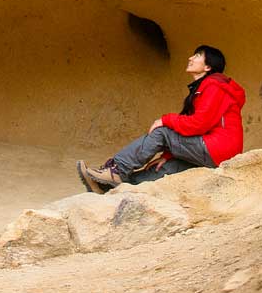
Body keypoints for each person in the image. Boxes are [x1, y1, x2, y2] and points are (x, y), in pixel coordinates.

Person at [77, 45, 246, 193]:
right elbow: (193, 130)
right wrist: (168, 154)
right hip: (217, 154)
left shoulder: (214, 86)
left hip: (216, 148)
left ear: (208, 66)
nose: (190, 58)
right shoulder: (205, 88)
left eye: (197, 56)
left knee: (163, 132)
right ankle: (116, 187)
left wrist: (165, 120)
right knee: (165, 167)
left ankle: (116, 170)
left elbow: (198, 124)